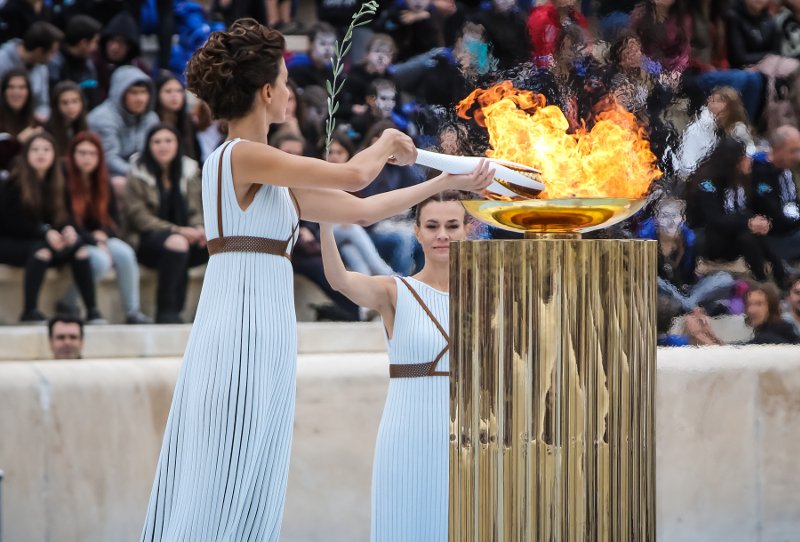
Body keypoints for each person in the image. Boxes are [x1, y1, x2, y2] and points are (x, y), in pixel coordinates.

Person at [139, 18, 491, 541]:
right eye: (283, 82)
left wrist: (442, 181)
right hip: (240, 327)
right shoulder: (242, 155)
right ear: (265, 92)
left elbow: (362, 209)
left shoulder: (272, 176)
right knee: (223, 471)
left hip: (266, 329)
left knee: (254, 469)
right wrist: (388, 142)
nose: (289, 92)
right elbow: (354, 175)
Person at [320, 190, 468, 540]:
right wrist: (325, 223)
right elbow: (340, 280)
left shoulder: (488, 294)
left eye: (452, 225)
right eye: (432, 226)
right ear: (417, 232)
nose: (442, 235)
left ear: (467, 229)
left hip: (467, 439)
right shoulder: (395, 292)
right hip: (408, 435)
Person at [0, 132, 102, 323]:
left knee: (79, 249)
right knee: (41, 251)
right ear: (26, 154)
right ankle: (29, 311)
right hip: (11, 243)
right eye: (35, 149)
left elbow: (65, 217)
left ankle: (92, 311)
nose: (41, 154)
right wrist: (44, 232)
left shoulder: (59, 181)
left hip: (44, 240)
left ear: (54, 154)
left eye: (46, 149)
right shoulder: (13, 182)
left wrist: (69, 230)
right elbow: (10, 223)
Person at [63, 131, 152, 324]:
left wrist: (103, 236)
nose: (87, 158)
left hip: (98, 238)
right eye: (82, 153)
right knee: (100, 260)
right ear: (72, 155)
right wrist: (94, 239)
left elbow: (113, 222)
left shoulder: (104, 183)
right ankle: (69, 302)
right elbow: (64, 220)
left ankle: (132, 311)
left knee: (125, 253)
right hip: (74, 239)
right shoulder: (63, 181)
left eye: (92, 153)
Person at [124, 124, 207, 324]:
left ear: (178, 144)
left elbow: (196, 209)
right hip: (146, 239)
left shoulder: (188, 172)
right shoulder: (137, 173)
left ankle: (208, 314)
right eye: (157, 142)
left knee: (218, 246)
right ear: (148, 146)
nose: (163, 146)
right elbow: (139, 218)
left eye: (168, 141)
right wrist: (177, 230)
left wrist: (199, 229)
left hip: (184, 237)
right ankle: (167, 311)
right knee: (177, 243)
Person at [87, 65, 160, 203]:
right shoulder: (102, 118)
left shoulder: (151, 118)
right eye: (133, 93)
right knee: (121, 184)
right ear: (119, 92)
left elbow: (154, 154)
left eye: (143, 92)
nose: (140, 98)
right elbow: (109, 158)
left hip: (141, 172)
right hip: (107, 175)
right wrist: (140, 174)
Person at [686, 281, 800, 344]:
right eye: (749, 304)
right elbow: (735, 349)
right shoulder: (767, 330)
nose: (751, 310)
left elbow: (732, 357)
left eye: (759, 304)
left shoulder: (774, 333)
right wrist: (709, 333)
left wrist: (698, 333)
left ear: (771, 306)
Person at [750, 125, 800, 263]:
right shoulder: (760, 173)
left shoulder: (786, 170)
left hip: (792, 228)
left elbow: (794, 202)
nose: (798, 156)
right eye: (793, 151)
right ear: (778, 149)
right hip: (774, 238)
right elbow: (774, 215)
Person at [0, 21, 64, 120]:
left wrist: (41, 116)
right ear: (39, 51)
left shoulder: (42, 68)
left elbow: (42, 103)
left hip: (30, 123)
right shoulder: (2, 62)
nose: (52, 58)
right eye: (51, 53)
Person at [47, 15, 102, 109]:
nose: (96, 47)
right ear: (83, 43)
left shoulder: (89, 64)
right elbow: (53, 99)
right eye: (95, 42)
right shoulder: (55, 63)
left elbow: (94, 97)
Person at [45, 81, 88, 158]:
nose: (70, 107)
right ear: (56, 105)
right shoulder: (48, 132)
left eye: (75, 101)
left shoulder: (86, 126)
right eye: (65, 103)